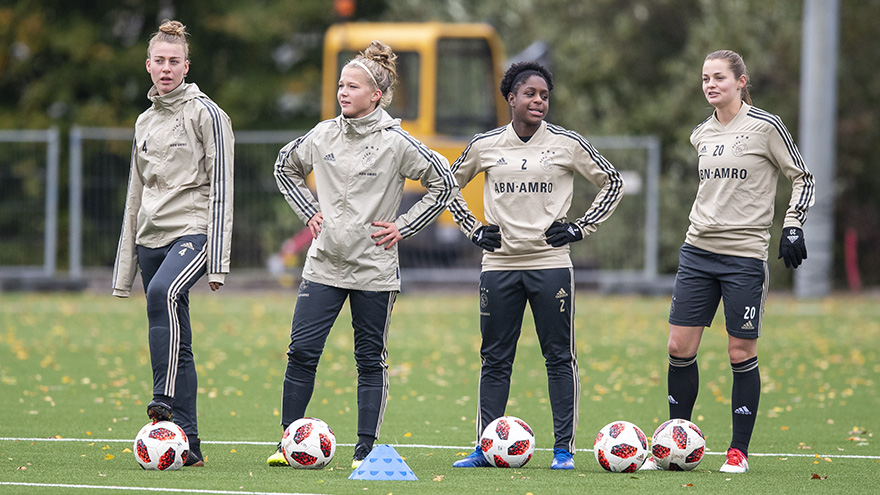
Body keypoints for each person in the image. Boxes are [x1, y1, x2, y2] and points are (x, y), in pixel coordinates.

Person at [267, 40, 459, 468]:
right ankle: (288, 442)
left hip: (374, 270)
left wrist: (404, 226)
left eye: (352, 87)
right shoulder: (323, 134)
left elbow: (444, 183)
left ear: (376, 95)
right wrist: (308, 211)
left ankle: (365, 451)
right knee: (301, 352)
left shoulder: (397, 143)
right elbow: (285, 167)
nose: (342, 92)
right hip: (322, 266)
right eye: (340, 85)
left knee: (370, 360)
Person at [641, 49, 815, 473]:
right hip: (697, 251)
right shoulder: (700, 133)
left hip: (744, 257)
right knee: (678, 348)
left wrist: (792, 224)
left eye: (719, 77)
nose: (710, 84)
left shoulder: (765, 126)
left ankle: (738, 451)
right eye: (705, 78)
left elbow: (802, 177)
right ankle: (672, 444)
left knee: (740, 353)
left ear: (741, 81)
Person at [447, 61, 625, 470]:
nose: (539, 101)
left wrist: (581, 228)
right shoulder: (485, 144)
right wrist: (473, 229)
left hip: (550, 266)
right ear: (511, 98)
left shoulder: (567, 144)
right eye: (530, 94)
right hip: (499, 267)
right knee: (495, 359)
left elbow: (612, 182)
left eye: (544, 95)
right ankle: (485, 446)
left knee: (559, 357)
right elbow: (446, 184)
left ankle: (563, 450)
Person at [112, 19, 234, 467]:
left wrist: (218, 261)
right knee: (175, 340)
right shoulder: (144, 121)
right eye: (159, 61)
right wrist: (124, 272)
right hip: (151, 237)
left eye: (174, 61)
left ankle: (161, 399)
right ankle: (190, 445)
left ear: (187, 66)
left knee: (164, 292)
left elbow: (222, 186)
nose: (166, 68)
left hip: (194, 229)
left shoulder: (208, 114)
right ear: (148, 66)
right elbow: (134, 194)